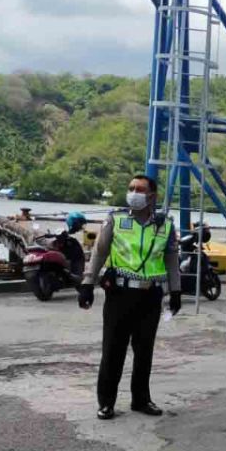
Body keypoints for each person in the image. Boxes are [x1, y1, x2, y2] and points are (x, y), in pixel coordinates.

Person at [78, 174, 181, 420]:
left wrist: (175, 291)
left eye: (139, 189)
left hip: (150, 296)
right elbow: (99, 252)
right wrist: (87, 284)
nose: (133, 192)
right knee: (113, 350)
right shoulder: (116, 219)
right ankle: (106, 402)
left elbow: (171, 260)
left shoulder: (165, 225)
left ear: (152, 196)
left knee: (144, 351)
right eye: (131, 188)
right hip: (120, 294)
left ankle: (141, 399)